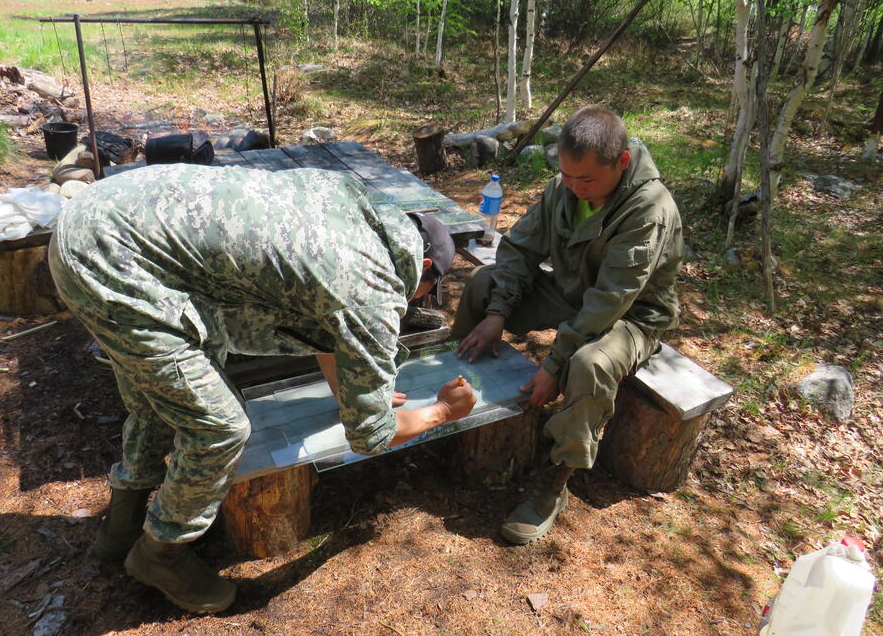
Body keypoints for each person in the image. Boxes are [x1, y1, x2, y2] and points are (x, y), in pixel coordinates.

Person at [48, 164, 476, 613]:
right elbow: (370, 437)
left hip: (98, 218)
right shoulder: (373, 286)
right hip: (113, 261)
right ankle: (160, 555)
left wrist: (359, 387)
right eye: (425, 291)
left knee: (159, 398)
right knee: (218, 428)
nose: (415, 301)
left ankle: (120, 529)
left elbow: (326, 322)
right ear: (424, 266)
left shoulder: (348, 201)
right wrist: (443, 411)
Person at [453, 106, 684, 545]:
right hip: (572, 294)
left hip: (633, 314)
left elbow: (610, 300)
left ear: (622, 163)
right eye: (568, 177)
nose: (575, 189)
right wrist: (498, 314)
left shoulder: (648, 210)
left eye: (587, 181)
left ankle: (556, 476)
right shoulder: (565, 188)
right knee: (483, 285)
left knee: (589, 364)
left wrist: (555, 363)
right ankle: (456, 395)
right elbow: (519, 248)